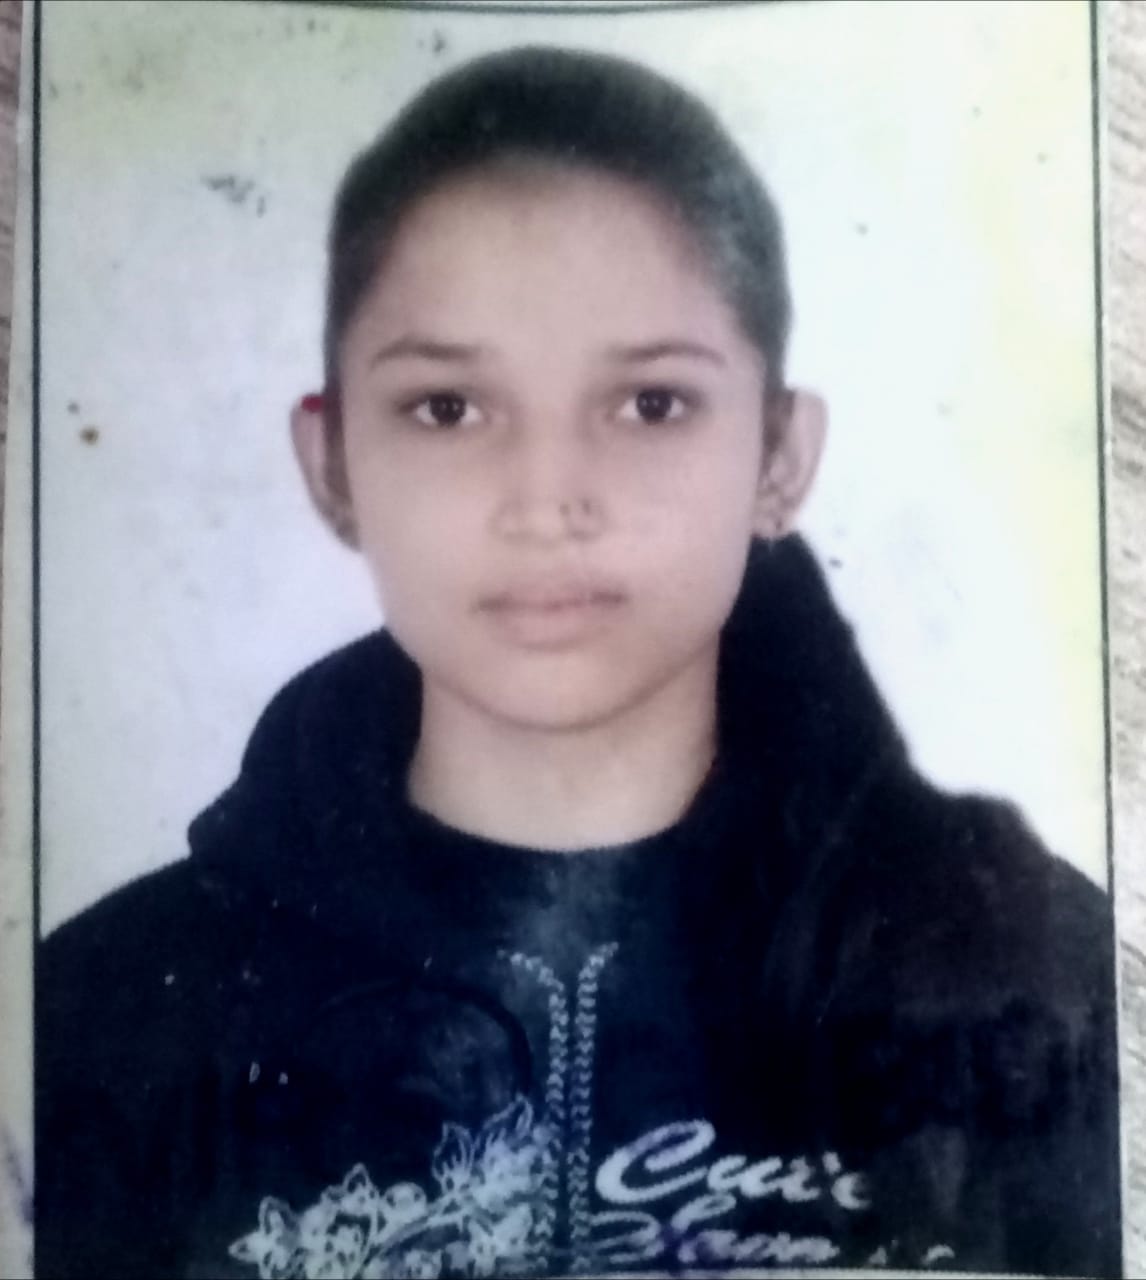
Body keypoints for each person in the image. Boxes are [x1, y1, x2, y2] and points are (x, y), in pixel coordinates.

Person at [35, 45, 1119, 1279]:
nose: (548, 499)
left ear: (779, 453)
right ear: (331, 463)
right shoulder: (101, 1004)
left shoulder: (1032, 968)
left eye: (650, 403)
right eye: (449, 407)